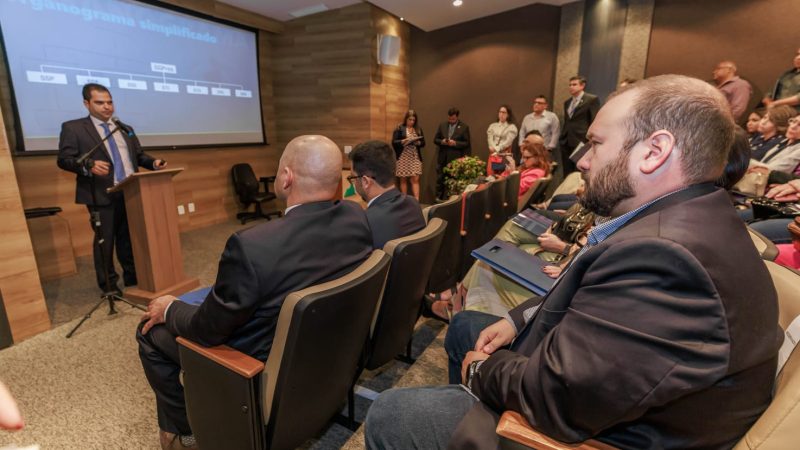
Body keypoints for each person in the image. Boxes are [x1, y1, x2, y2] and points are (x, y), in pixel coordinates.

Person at [366, 75, 783, 449]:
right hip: (582, 379)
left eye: (597, 144)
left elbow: (555, 397)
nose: (582, 159)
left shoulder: (666, 258)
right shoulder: (692, 217)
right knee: (464, 328)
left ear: (655, 151)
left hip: (581, 429)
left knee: (392, 413)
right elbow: (593, 305)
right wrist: (518, 319)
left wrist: (482, 372)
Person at [137, 135, 373, 450]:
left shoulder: (252, 246)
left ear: (286, 178)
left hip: (257, 365)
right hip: (330, 354)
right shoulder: (357, 217)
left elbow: (207, 330)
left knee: (149, 331)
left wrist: (169, 308)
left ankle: (186, 433)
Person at [57, 83, 166, 294]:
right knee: (104, 242)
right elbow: (64, 159)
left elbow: (138, 156)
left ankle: (132, 278)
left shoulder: (124, 128)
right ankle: (109, 286)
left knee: (129, 239)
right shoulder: (73, 128)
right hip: (101, 193)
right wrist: (88, 165)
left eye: (109, 102)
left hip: (131, 192)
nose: (107, 107)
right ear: (86, 104)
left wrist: (153, 163)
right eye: (100, 102)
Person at [349, 140, 426, 249]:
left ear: (365, 182)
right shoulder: (413, 204)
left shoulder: (364, 223)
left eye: (353, 177)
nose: (353, 183)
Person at [560, 75, 601, 175]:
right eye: (570, 85)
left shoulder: (591, 99)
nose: (571, 87)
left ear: (582, 86)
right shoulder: (567, 102)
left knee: (578, 170)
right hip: (566, 140)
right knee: (567, 170)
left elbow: (594, 120)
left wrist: (590, 139)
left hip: (581, 140)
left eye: (574, 84)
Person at [434, 107, 471, 200]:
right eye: (449, 119)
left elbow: (466, 143)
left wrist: (455, 143)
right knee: (440, 180)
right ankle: (437, 199)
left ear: (457, 117)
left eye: (453, 119)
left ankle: (450, 200)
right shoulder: (442, 125)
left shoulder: (464, 127)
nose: (451, 121)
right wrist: (442, 141)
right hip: (442, 158)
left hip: (455, 159)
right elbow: (435, 139)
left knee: (453, 181)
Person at [391, 109, 425, 199]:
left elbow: (423, 143)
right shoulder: (399, 128)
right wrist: (403, 141)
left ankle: (416, 200)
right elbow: (394, 142)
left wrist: (418, 143)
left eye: (413, 120)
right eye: (410, 119)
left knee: (415, 179)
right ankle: (404, 200)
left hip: (415, 156)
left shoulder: (418, 129)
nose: (412, 122)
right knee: (403, 179)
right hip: (403, 156)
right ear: (406, 119)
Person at [486, 105, 518, 176]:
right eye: (500, 112)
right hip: (493, 154)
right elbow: (490, 139)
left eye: (504, 112)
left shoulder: (511, 127)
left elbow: (508, 142)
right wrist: (492, 147)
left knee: (502, 175)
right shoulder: (492, 126)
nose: (501, 114)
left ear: (508, 115)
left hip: (504, 155)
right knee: (491, 175)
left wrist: (497, 149)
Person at [517, 133, 551, 198]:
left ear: (538, 157)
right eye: (523, 157)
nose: (524, 160)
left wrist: (512, 173)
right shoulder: (531, 168)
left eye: (527, 158)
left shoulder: (536, 172)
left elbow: (516, 189)